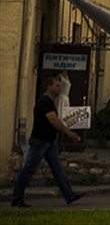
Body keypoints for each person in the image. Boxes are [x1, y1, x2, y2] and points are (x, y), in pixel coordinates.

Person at [11, 77, 85, 208]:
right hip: (40, 141)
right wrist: (69, 133)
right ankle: (16, 198)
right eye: (57, 86)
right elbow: (53, 120)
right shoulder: (45, 102)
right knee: (28, 169)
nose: (59, 88)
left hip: (50, 141)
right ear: (49, 87)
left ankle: (69, 195)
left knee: (58, 168)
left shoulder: (51, 102)